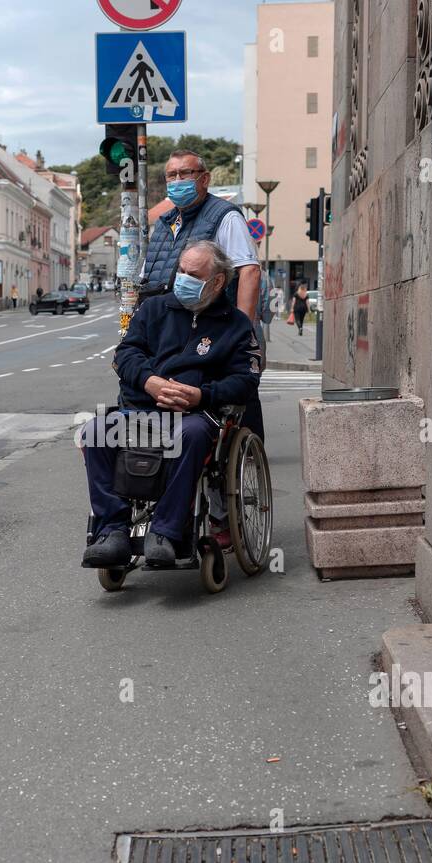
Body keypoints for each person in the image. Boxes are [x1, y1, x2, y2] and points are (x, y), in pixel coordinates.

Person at [81, 241, 260, 568]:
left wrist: (202, 395)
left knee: (190, 436)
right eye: (180, 271)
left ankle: (165, 531)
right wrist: (150, 381)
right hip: (141, 409)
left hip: (195, 415)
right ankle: (112, 531)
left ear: (217, 281)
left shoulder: (235, 326)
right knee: (95, 432)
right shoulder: (153, 310)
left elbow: (246, 380)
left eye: (193, 274)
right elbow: (126, 355)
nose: (183, 279)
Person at [141, 149, 265, 440]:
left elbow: (249, 271)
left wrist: (242, 332)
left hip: (216, 326)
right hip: (170, 328)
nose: (177, 180)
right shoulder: (164, 224)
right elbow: (152, 279)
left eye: (186, 174)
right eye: (172, 175)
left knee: (236, 404)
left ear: (205, 179)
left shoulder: (224, 217)